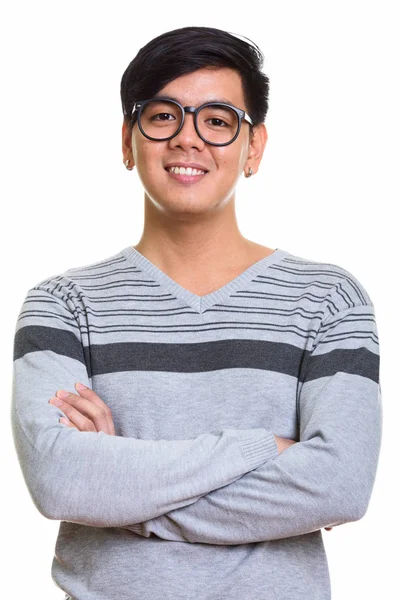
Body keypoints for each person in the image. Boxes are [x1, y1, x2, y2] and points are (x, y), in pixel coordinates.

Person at [11, 26, 382, 600]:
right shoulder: (63, 305)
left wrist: (119, 486)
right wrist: (263, 449)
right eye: (163, 116)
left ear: (253, 146)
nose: (188, 139)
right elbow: (62, 483)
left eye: (217, 119)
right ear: (128, 141)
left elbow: (339, 487)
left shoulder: (328, 300)